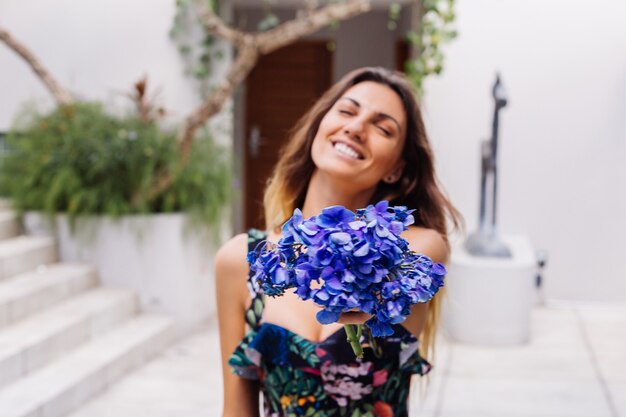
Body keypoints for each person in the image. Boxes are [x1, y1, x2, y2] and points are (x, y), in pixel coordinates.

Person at [215, 67, 463, 417]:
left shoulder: (416, 248)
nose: (356, 127)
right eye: (347, 111)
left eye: (383, 128)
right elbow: (236, 411)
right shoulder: (240, 259)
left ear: (395, 168)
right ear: (320, 127)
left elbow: (364, 301)